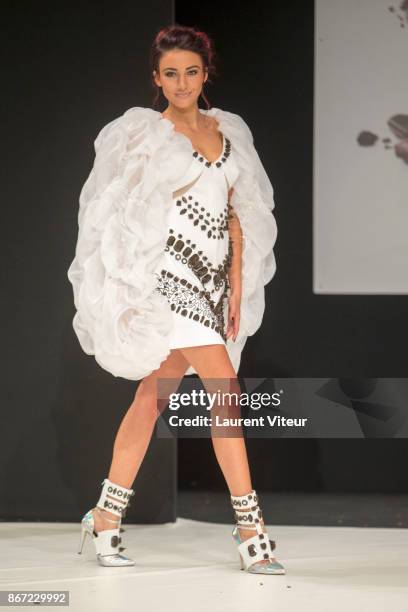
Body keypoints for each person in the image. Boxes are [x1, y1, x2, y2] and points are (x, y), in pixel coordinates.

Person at [68, 24, 284, 575]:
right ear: (156, 79)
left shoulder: (230, 131)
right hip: (169, 281)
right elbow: (116, 216)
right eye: (171, 74)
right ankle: (251, 530)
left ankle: (105, 515)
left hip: (213, 287)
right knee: (225, 395)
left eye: (191, 72)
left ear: (205, 74)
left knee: (151, 399)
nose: (181, 83)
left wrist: (236, 284)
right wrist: (133, 288)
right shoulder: (143, 135)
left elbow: (239, 217)